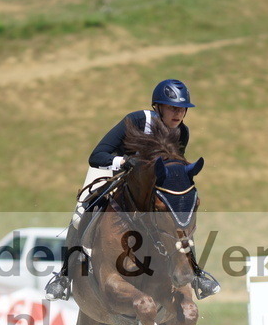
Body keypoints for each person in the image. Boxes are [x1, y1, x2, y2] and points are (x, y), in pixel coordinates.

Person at [45, 78, 220, 301]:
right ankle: (64, 276)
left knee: (177, 215)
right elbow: (97, 156)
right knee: (82, 212)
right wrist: (124, 162)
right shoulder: (138, 120)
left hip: (148, 183)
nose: (178, 114)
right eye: (172, 108)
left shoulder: (181, 132)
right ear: (158, 107)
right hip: (112, 169)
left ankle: (195, 273)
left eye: (182, 109)